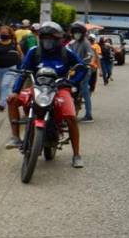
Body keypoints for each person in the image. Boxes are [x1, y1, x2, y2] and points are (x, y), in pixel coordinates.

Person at [6, 22, 87, 168]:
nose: (48, 41)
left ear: (59, 39)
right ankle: (16, 137)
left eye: (52, 38)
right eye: (45, 37)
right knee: (12, 100)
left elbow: (82, 68)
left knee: (71, 117)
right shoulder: (34, 51)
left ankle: (76, 154)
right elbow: (23, 72)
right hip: (37, 87)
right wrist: (15, 91)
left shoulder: (66, 52)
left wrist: (72, 82)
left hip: (60, 88)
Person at [67, 22, 96, 123]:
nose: (76, 34)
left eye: (78, 32)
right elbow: (67, 53)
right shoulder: (73, 43)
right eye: (75, 32)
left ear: (83, 33)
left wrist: (84, 62)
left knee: (84, 91)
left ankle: (89, 115)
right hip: (73, 70)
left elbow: (90, 55)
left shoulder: (86, 43)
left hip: (84, 70)